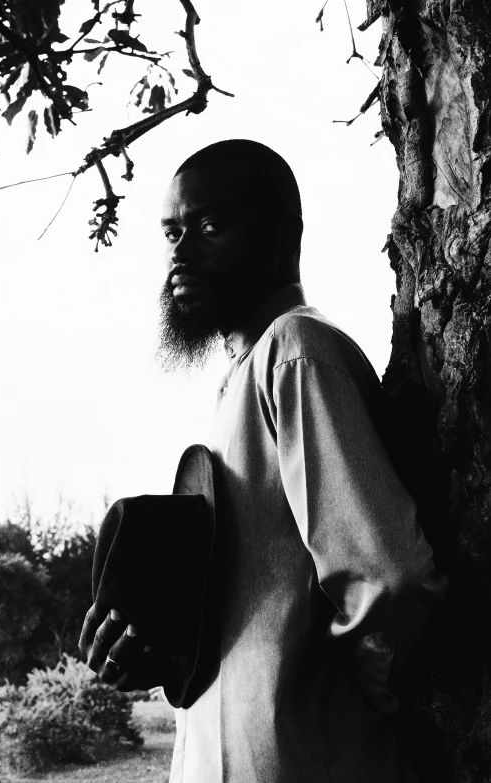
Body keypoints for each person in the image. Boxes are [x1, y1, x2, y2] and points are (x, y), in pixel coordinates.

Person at [79, 139, 447, 783]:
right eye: (172, 233)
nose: (180, 254)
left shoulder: (297, 351)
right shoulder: (240, 379)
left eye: (210, 227)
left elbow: (387, 576)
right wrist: (163, 645)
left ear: (283, 237)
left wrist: (339, 705)